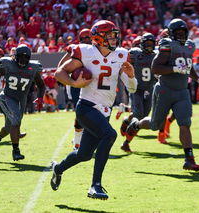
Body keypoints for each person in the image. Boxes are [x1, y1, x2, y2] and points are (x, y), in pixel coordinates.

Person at [50, 20, 137, 200]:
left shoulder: (121, 55)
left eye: (115, 35)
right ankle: (95, 185)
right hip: (86, 106)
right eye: (110, 36)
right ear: (98, 38)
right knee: (110, 135)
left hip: (105, 111)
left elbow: (132, 88)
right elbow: (59, 73)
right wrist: (75, 83)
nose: (114, 39)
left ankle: (58, 169)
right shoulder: (85, 52)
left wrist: (132, 77)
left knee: (84, 154)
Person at [125, 19, 199, 172]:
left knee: (185, 122)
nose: (181, 36)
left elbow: (188, 66)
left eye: (183, 33)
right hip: (165, 89)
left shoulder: (190, 45)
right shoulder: (166, 44)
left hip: (182, 91)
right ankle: (135, 125)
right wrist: (176, 68)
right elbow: (155, 67)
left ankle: (189, 159)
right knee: (155, 125)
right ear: (171, 33)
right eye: (177, 33)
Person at [0, 44, 45, 161]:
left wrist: (40, 97)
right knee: (16, 118)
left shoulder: (33, 67)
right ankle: (16, 151)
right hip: (7, 96)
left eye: (25, 57)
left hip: (21, 100)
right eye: (20, 57)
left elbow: (41, 84)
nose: (23, 60)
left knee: (9, 127)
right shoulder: (8, 65)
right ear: (15, 56)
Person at [120, 33, 164, 152]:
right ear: (141, 44)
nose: (149, 46)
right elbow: (124, 63)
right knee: (138, 114)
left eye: (151, 44)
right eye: (147, 44)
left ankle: (126, 121)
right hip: (137, 89)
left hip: (149, 89)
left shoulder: (156, 55)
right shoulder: (135, 53)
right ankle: (127, 143)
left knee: (143, 116)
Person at [57, 28, 91, 150]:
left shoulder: (97, 50)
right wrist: (60, 77)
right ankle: (77, 142)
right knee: (80, 111)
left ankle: (84, 139)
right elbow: (62, 64)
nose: (87, 41)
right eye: (84, 39)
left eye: (88, 38)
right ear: (80, 40)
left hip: (92, 84)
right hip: (77, 84)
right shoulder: (75, 48)